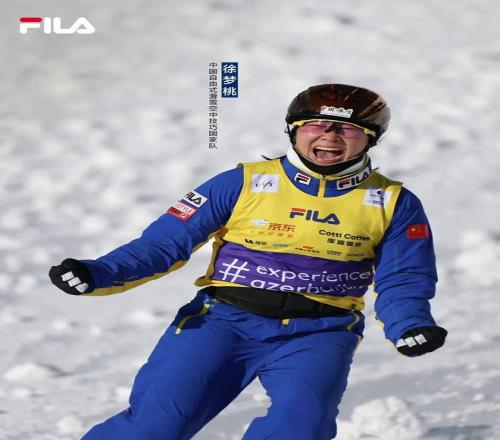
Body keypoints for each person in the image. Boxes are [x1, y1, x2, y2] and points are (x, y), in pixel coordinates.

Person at [49, 83, 447, 440]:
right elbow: (163, 245)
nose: (329, 135)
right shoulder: (242, 183)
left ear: (371, 139)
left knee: (302, 427)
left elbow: (404, 276)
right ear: (293, 131)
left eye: (348, 129)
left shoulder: (394, 202)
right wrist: (96, 273)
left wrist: (409, 324)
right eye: (315, 124)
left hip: (319, 333)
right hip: (222, 322)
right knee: (157, 424)